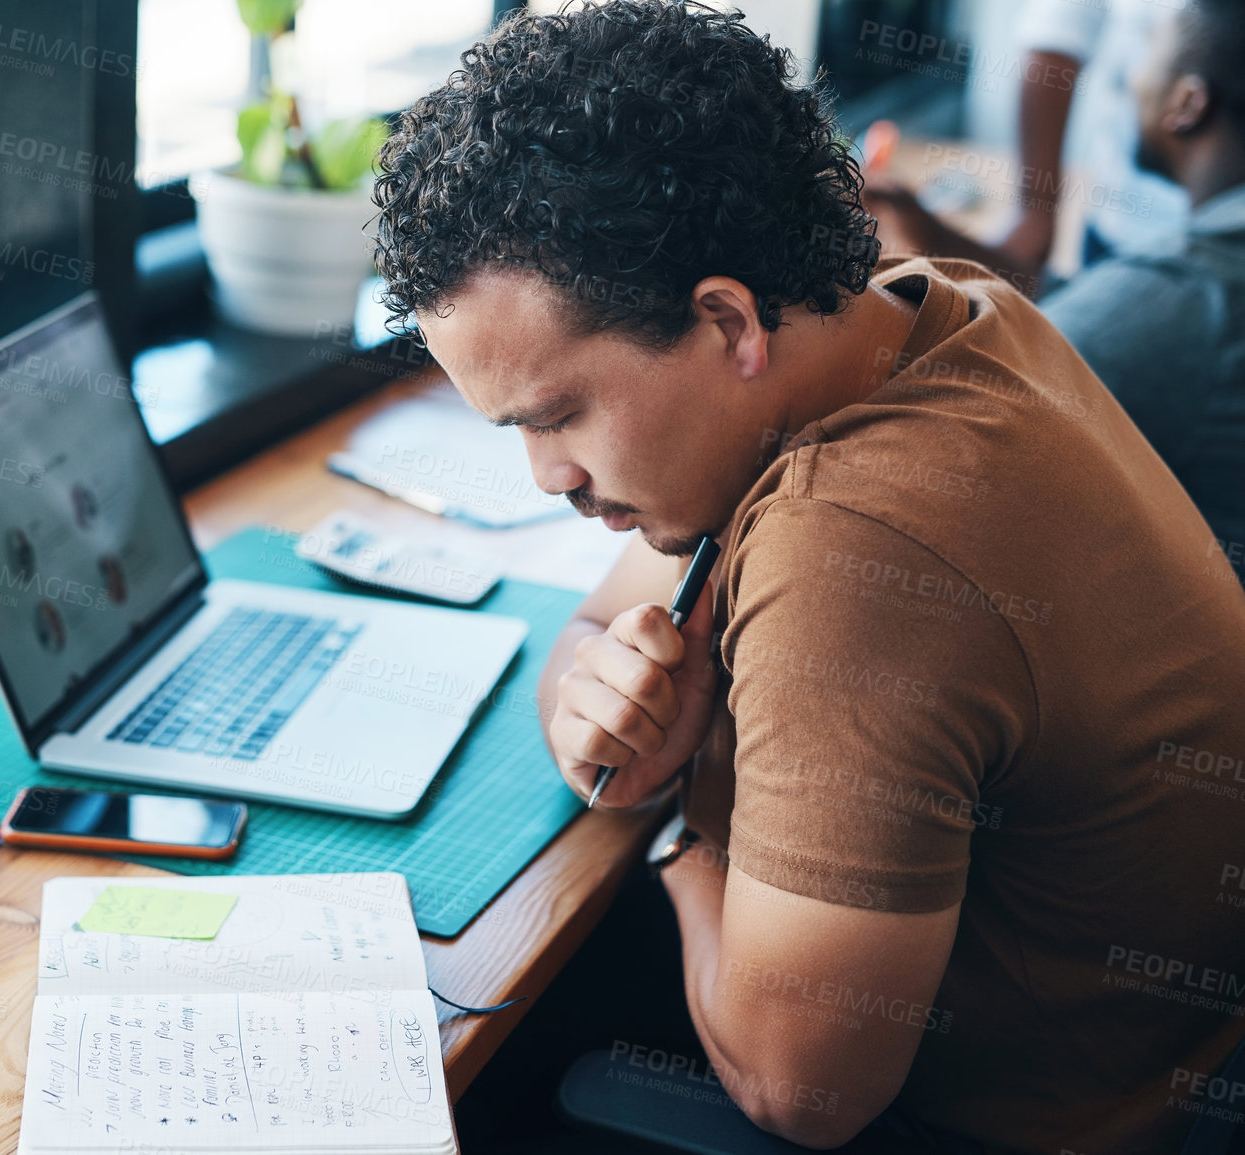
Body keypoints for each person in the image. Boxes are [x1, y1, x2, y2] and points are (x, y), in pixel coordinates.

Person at [371, 2, 1245, 1150]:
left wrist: (689, 830)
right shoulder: (935, 310)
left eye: (559, 414)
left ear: (728, 320)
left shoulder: (861, 545)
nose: (548, 477)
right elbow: (606, 617)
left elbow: (801, 1092)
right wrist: (595, 680)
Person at [1038, 0, 1245, 574]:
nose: (1131, 80)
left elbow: (1010, 366)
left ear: (1187, 104)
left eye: (1146, 53)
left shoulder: (1190, 300)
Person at [865, 0, 1189, 294]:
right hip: (1110, 238)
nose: (1129, 82)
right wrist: (1033, 215)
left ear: (1190, 102)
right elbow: (1058, 29)